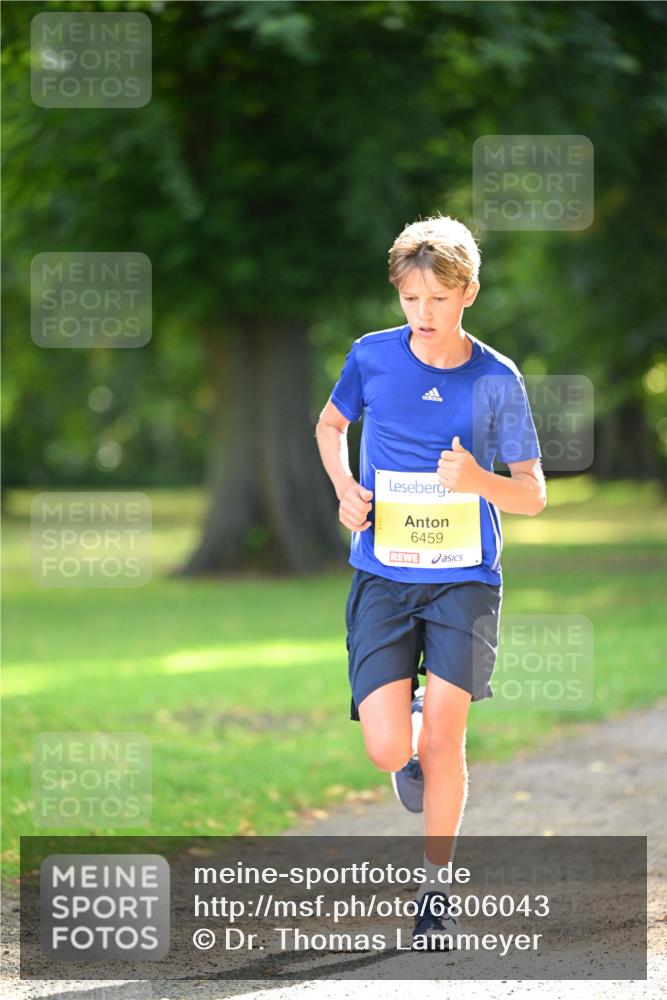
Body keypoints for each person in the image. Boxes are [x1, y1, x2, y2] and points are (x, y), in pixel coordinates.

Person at [315, 213, 546, 950]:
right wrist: (345, 489)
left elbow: (532, 492)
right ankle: (404, 730)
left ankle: (435, 891)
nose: (422, 316)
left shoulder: (496, 378)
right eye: (409, 300)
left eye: (437, 301)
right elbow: (328, 426)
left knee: (445, 741)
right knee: (389, 750)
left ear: (467, 292)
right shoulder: (370, 357)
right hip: (382, 574)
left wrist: (478, 478)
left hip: (463, 582)